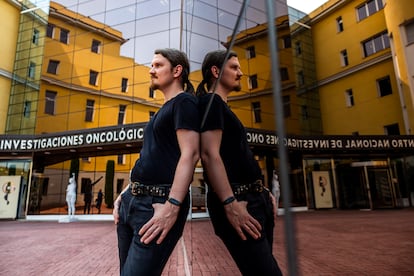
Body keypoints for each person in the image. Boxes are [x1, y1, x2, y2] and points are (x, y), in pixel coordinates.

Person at [113, 48, 200, 276]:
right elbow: (150, 157)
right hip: (133, 203)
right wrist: (125, 193)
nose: (151, 71)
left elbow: (190, 155)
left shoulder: (184, 103)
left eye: (158, 65)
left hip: (157, 205)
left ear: (177, 70)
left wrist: (172, 207)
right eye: (151, 66)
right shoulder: (163, 110)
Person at [196, 49, 283, 276]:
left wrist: (263, 191)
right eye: (234, 67)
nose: (241, 73)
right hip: (240, 204)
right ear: (216, 71)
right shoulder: (211, 103)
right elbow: (209, 155)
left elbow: (235, 158)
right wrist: (230, 204)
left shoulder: (222, 107)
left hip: (254, 200)